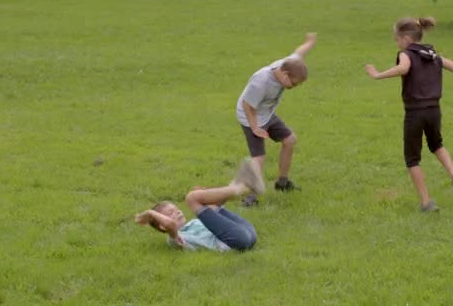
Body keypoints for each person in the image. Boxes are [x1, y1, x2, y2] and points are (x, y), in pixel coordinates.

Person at [364, 17, 453, 212]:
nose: (396, 42)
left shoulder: (405, 54)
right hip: (434, 110)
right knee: (437, 145)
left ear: (406, 38)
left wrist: (377, 75)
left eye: (396, 38)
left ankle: (426, 203)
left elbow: (404, 68)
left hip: (415, 113)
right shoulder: (434, 55)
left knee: (412, 159)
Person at [236, 33, 317, 206]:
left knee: (290, 140)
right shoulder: (261, 82)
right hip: (250, 116)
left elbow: (298, 53)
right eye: (293, 84)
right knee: (259, 158)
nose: (293, 88)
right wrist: (255, 127)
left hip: (266, 113)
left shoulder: (288, 64)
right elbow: (247, 105)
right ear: (285, 74)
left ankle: (282, 182)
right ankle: (250, 196)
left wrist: (309, 42)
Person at [134, 158, 265, 251]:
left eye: (176, 209)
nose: (178, 212)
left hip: (249, 232)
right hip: (236, 242)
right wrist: (150, 213)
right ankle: (241, 186)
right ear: (162, 227)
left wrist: (206, 196)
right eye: (170, 213)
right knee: (191, 199)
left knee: (204, 203)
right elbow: (171, 225)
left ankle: (240, 185)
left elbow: (217, 214)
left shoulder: (193, 224)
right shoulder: (175, 238)